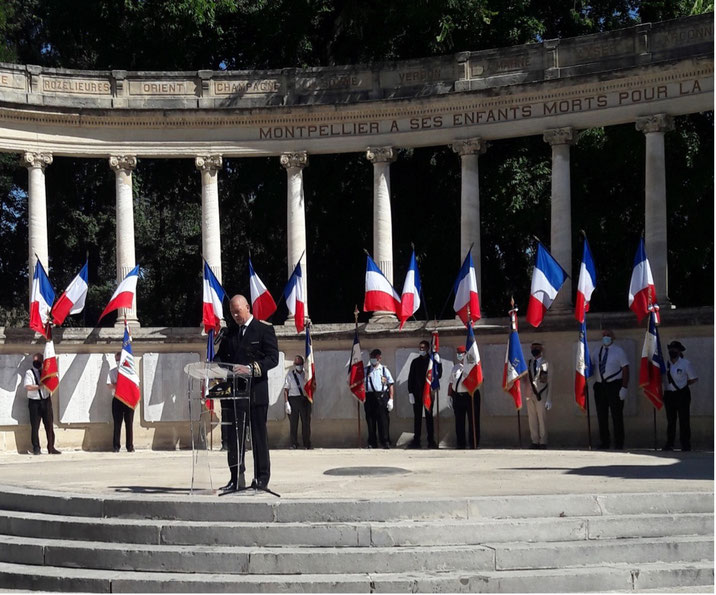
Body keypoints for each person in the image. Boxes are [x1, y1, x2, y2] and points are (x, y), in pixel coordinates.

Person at [215, 294, 279, 491]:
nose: (235, 315)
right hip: (235, 393)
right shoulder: (230, 333)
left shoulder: (263, 329)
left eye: (238, 311)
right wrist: (214, 367)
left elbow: (272, 358)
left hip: (256, 392)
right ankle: (236, 477)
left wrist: (251, 369)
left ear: (247, 307)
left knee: (259, 437)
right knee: (235, 438)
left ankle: (261, 478)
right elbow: (221, 357)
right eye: (232, 312)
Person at [592, 329, 629, 450]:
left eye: (608, 335)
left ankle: (619, 443)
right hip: (600, 386)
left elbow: (625, 369)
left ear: (613, 337)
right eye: (604, 335)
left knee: (616, 415)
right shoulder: (597, 351)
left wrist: (624, 387)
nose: (606, 337)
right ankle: (604, 442)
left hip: (614, 385)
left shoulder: (619, 351)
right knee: (601, 416)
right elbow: (591, 365)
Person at [662, 340, 698, 452]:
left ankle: (685, 444)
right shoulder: (665, 364)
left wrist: (683, 385)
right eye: (670, 349)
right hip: (669, 395)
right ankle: (670, 444)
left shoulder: (685, 363)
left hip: (682, 394)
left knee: (684, 420)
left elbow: (694, 378)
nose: (672, 351)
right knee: (671, 420)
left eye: (674, 349)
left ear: (679, 351)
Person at [407, 340, 442, 449]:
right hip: (417, 393)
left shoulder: (431, 362)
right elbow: (410, 378)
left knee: (429, 418)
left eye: (423, 348)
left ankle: (431, 440)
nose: (421, 350)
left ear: (427, 348)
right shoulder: (415, 362)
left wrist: (438, 363)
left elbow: (438, 375)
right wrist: (410, 392)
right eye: (420, 348)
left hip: (428, 393)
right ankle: (416, 440)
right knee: (417, 418)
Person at [24, 353, 60, 455]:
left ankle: (51, 447)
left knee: (49, 425)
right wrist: (39, 386)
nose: (37, 363)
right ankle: (36, 448)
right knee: (35, 426)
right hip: (34, 402)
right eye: (35, 361)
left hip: (46, 400)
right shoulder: (29, 373)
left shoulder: (46, 372)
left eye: (39, 361)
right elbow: (28, 386)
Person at [448, 345, 479, 449]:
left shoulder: (473, 367)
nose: (459, 355)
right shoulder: (455, 367)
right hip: (458, 396)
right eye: (458, 354)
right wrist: (449, 396)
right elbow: (451, 382)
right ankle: (460, 443)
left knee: (473, 421)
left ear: (466, 354)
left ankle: (474, 443)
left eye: (461, 353)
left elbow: (479, 380)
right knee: (459, 421)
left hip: (470, 396)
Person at [364, 348, 394, 449]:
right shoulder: (366, 370)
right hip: (369, 397)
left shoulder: (384, 370)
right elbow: (360, 384)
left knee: (383, 421)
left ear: (379, 358)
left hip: (381, 396)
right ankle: (372, 442)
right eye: (371, 357)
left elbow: (390, 385)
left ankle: (385, 441)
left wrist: (391, 399)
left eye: (375, 357)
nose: (373, 359)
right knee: (370, 420)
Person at [107, 351, 135, 453]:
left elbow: (135, 385)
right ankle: (116, 446)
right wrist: (119, 385)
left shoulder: (130, 372)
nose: (118, 361)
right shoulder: (113, 371)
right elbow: (109, 385)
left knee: (129, 424)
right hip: (117, 399)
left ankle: (130, 446)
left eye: (119, 359)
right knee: (117, 424)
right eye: (116, 360)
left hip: (128, 399)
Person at [283, 354, 312, 450]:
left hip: (304, 400)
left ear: (303, 364)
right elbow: (286, 390)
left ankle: (307, 443)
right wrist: (286, 403)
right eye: (296, 363)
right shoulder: (290, 375)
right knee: (293, 423)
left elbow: (311, 387)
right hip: (293, 400)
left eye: (299, 363)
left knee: (306, 423)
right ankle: (294, 443)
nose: (298, 365)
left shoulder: (307, 374)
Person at [526, 341, 551, 449]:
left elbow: (550, 382)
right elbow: (525, 378)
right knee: (532, 419)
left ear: (541, 350)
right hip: (530, 394)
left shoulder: (546, 364)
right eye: (533, 348)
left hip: (541, 395)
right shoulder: (529, 363)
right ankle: (535, 440)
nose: (534, 350)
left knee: (542, 418)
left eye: (536, 348)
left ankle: (543, 441)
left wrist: (549, 399)